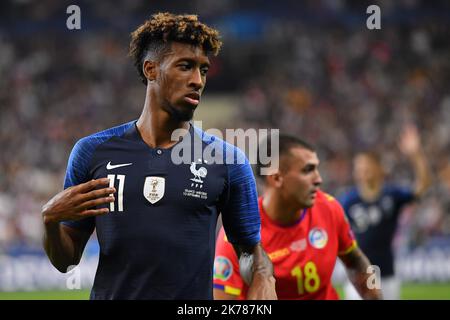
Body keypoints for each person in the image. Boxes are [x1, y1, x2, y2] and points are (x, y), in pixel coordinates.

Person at [41, 12, 277, 300]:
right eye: (185, 66)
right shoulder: (92, 152)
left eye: (203, 69)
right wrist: (51, 222)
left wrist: (264, 276)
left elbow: (249, 251)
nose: (198, 80)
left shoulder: (228, 161)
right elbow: (66, 260)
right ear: (151, 69)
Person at [213, 134, 382, 300]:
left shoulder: (329, 208)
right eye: (308, 170)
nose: (319, 179)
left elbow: (356, 262)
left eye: (317, 168)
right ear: (277, 177)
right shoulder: (237, 235)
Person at [339, 124, 431, 300]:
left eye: (366, 165)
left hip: (387, 276)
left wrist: (416, 154)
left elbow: (422, 186)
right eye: (358, 166)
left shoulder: (392, 195)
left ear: (379, 168)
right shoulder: (348, 201)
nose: (361, 170)